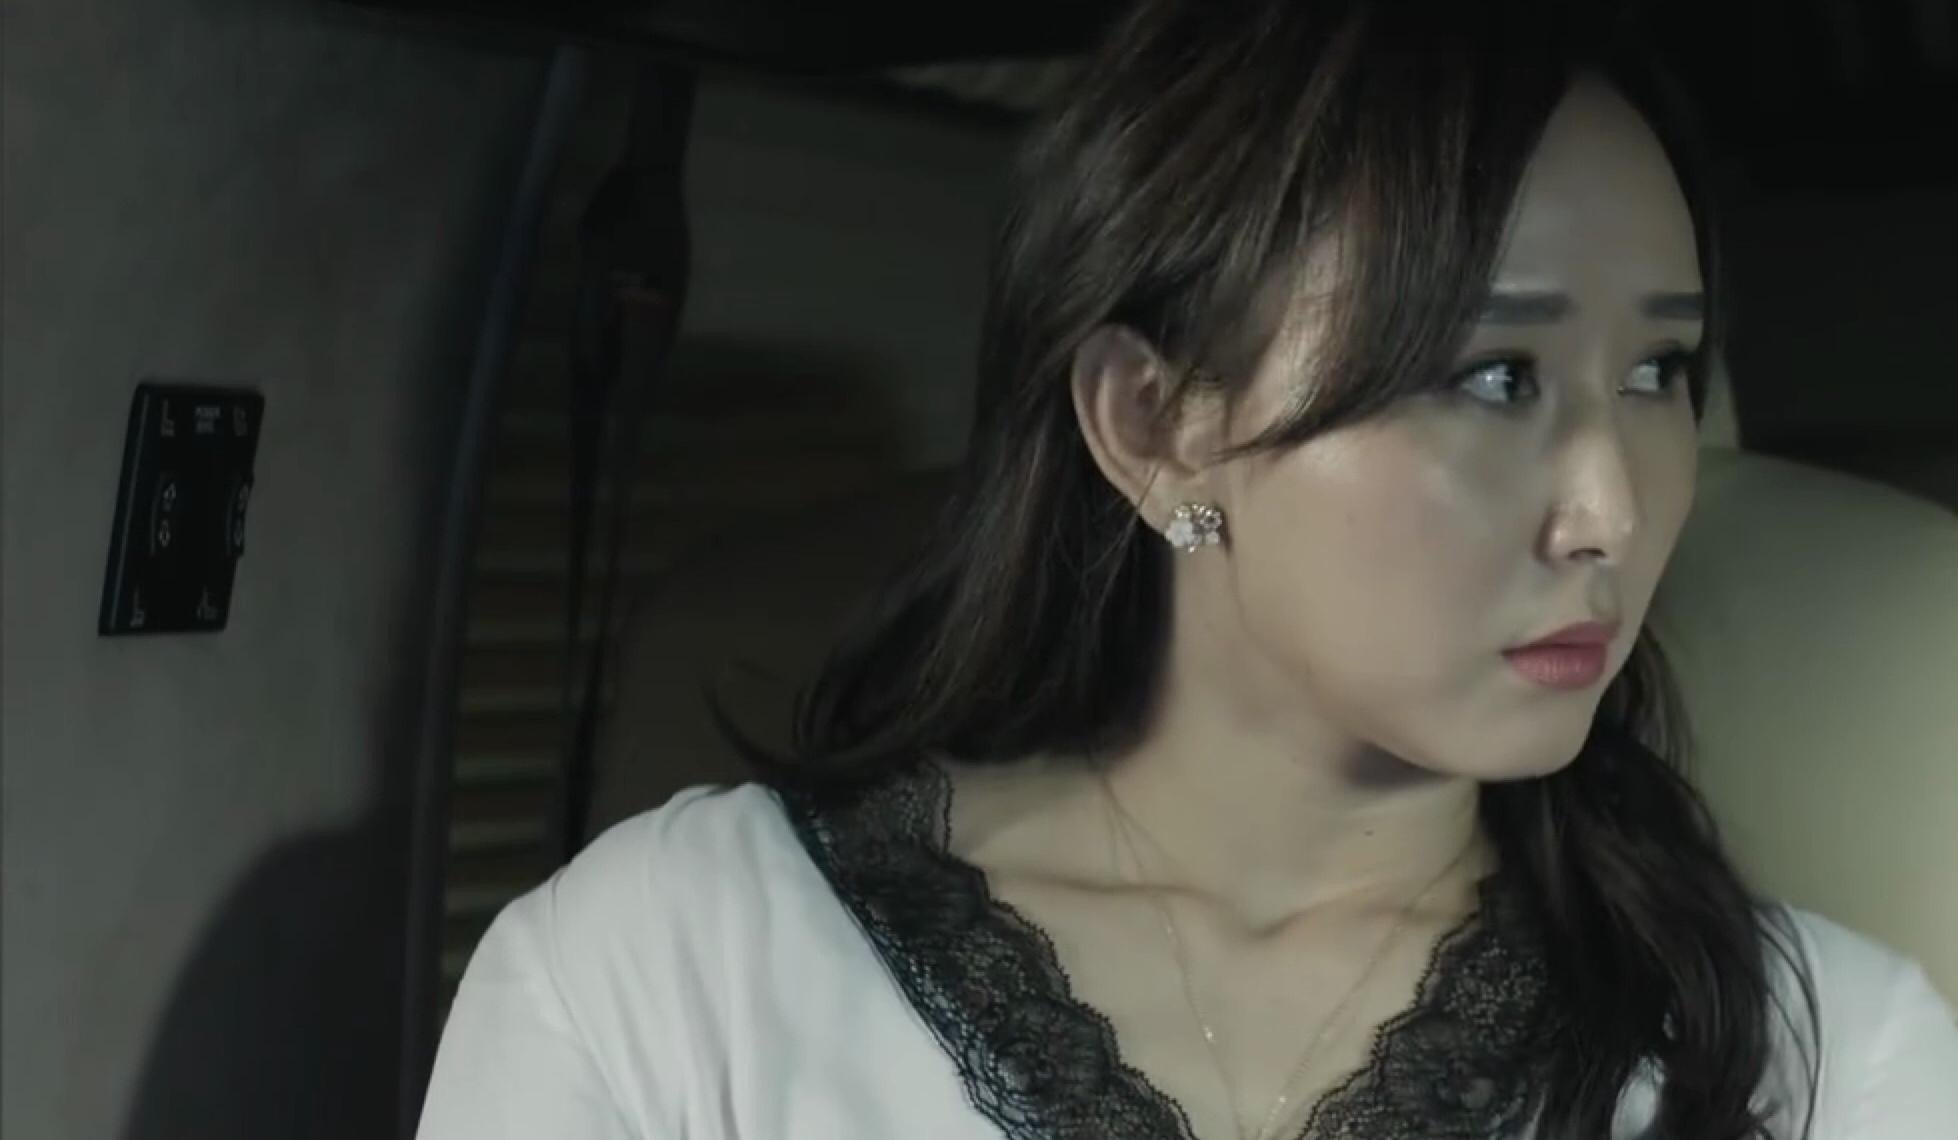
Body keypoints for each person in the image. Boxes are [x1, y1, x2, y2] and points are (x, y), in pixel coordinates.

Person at [415, 0, 1958, 1137]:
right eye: (1495, 376)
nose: (1608, 510)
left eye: (1656, 373)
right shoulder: (668, 967)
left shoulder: (1821, 1057)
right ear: (1154, 425)